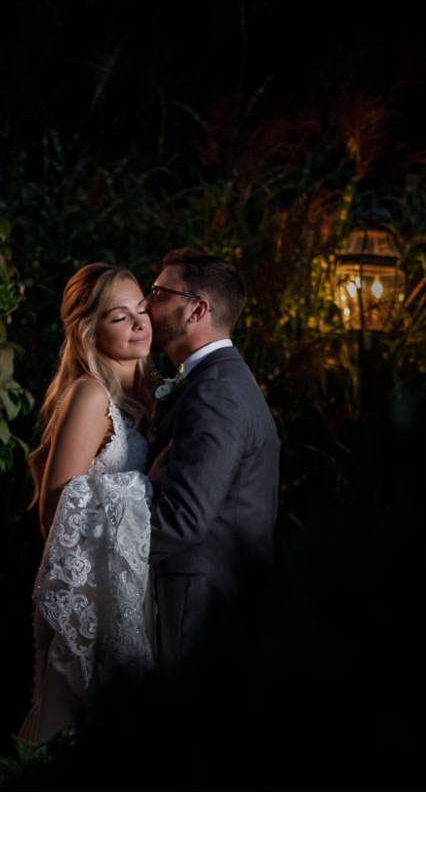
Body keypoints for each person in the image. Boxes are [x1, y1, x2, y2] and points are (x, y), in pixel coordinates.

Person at [18, 263, 167, 745]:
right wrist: (144, 489)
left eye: (142, 309)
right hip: (89, 595)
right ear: (88, 331)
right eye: (119, 317)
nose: (140, 322)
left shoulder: (144, 400)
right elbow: (55, 511)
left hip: (135, 592)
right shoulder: (90, 395)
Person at [144, 248, 279, 674]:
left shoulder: (216, 390)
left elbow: (184, 520)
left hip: (198, 604)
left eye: (158, 293)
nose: (147, 305)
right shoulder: (215, 380)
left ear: (196, 309)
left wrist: (98, 556)